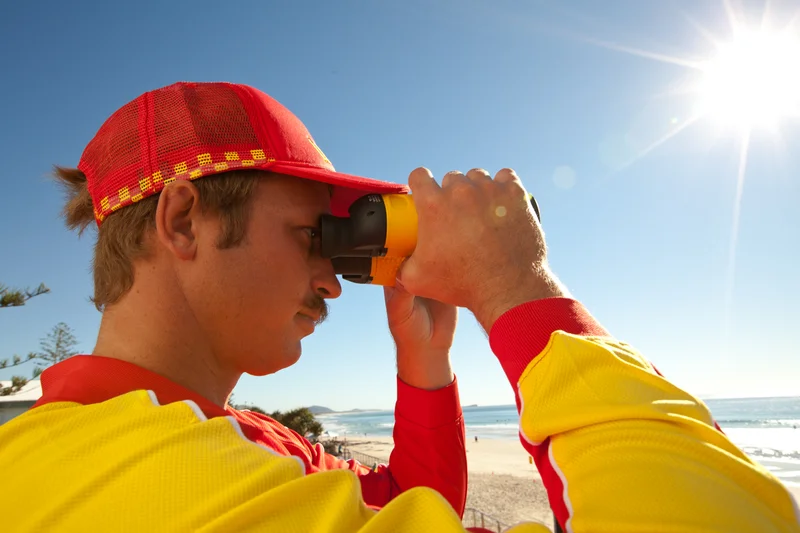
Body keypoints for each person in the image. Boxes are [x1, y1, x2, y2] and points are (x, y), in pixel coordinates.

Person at [1, 82, 798, 533]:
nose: (334, 278)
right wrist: (518, 289)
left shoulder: (203, 438)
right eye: (314, 235)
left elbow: (415, 507)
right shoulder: (172, 492)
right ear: (183, 221)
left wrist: (424, 360)